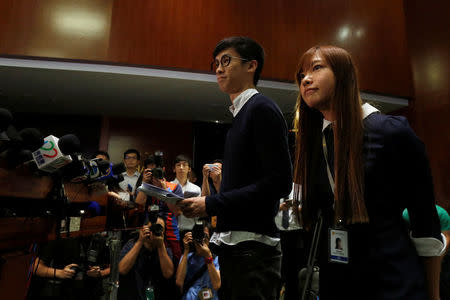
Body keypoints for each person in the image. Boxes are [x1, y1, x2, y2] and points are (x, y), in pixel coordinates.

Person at [293, 45, 444, 300]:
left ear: (343, 74)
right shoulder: (315, 142)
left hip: (393, 282)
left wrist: (433, 294)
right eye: (301, 75)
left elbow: (425, 223)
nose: (306, 79)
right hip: (338, 281)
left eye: (317, 68)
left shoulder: (390, 132)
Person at [179, 36, 293, 299]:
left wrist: (211, 203)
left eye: (226, 61)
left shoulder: (261, 108)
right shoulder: (242, 114)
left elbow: (279, 182)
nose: (219, 69)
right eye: (216, 63)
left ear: (251, 66)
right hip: (236, 245)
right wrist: (209, 202)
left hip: (253, 247)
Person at [117, 218, 175, 300]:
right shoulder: (132, 244)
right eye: (152, 227)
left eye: (159, 228)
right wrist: (140, 241)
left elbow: (168, 274)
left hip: (156, 294)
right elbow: (122, 269)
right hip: (132, 293)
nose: (154, 231)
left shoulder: (165, 249)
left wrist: (160, 245)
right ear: (144, 229)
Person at [275, 185, 307, 300]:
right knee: (277, 272)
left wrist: (296, 207)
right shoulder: (274, 186)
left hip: (295, 233)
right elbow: (266, 208)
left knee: (293, 274)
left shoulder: (299, 187)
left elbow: (308, 208)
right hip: (277, 233)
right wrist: (280, 207)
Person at [176, 223, 220, 300]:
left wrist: (208, 256)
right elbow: (179, 283)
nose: (202, 239)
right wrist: (186, 250)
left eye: (205, 236)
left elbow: (216, 285)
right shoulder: (187, 257)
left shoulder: (216, 259)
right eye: (199, 235)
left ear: (210, 239)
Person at [171, 155, 201, 245]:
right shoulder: (168, 186)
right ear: (174, 169)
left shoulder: (196, 189)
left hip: (190, 230)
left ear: (189, 169)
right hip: (171, 230)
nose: (181, 168)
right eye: (178, 165)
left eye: (184, 165)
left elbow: (198, 211)